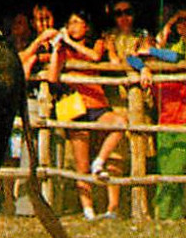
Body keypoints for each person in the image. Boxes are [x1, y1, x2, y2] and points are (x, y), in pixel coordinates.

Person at [42, 12, 128, 219]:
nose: (73, 26)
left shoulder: (96, 43)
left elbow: (95, 56)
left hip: (97, 103)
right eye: (70, 23)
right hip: (75, 107)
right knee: (80, 163)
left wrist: (71, 42)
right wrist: (57, 49)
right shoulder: (65, 49)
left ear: (86, 26)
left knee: (120, 123)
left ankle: (99, 161)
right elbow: (53, 76)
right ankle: (88, 210)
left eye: (77, 22)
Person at [141, 7, 186, 220]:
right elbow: (131, 59)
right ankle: (168, 217)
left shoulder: (179, 51)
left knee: (175, 170)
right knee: (164, 171)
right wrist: (144, 66)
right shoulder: (153, 65)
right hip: (165, 122)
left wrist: (154, 50)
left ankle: (165, 214)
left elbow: (178, 56)